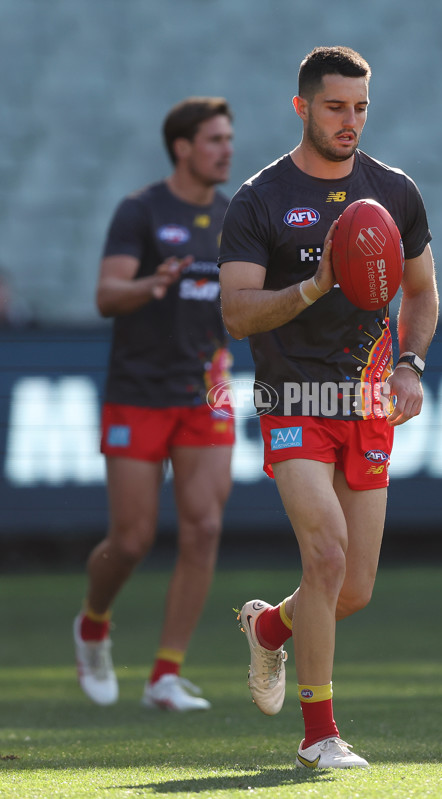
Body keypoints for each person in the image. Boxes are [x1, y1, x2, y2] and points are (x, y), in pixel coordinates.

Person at [218, 47, 438, 768]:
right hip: (295, 398)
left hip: (369, 398)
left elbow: (422, 291)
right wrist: (314, 287)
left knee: (352, 587)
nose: (351, 121)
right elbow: (238, 313)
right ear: (302, 106)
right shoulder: (258, 199)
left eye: (361, 107)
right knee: (327, 553)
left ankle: (272, 630)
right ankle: (320, 736)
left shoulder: (395, 192)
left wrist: (410, 364)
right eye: (336, 107)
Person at [73, 97, 235, 711]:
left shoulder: (234, 216)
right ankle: (93, 624)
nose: (226, 149)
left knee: (205, 526)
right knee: (132, 539)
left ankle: (164, 676)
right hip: (137, 392)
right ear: (183, 147)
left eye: (228, 138)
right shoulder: (140, 211)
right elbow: (106, 295)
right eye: (214, 139)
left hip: (204, 390)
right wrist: (152, 284)